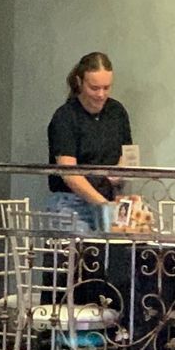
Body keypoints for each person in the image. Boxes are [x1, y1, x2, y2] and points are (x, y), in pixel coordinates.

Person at [45, 52, 133, 232]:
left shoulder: (117, 112)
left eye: (106, 87)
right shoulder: (65, 117)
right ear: (79, 82)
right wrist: (103, 204)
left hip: (109, 198)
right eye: (94, 88)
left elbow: (129, 154)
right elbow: (69, 173)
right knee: (80, 254)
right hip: (71, 204)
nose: (101, 94)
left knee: (120, 254)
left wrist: (119, 172)